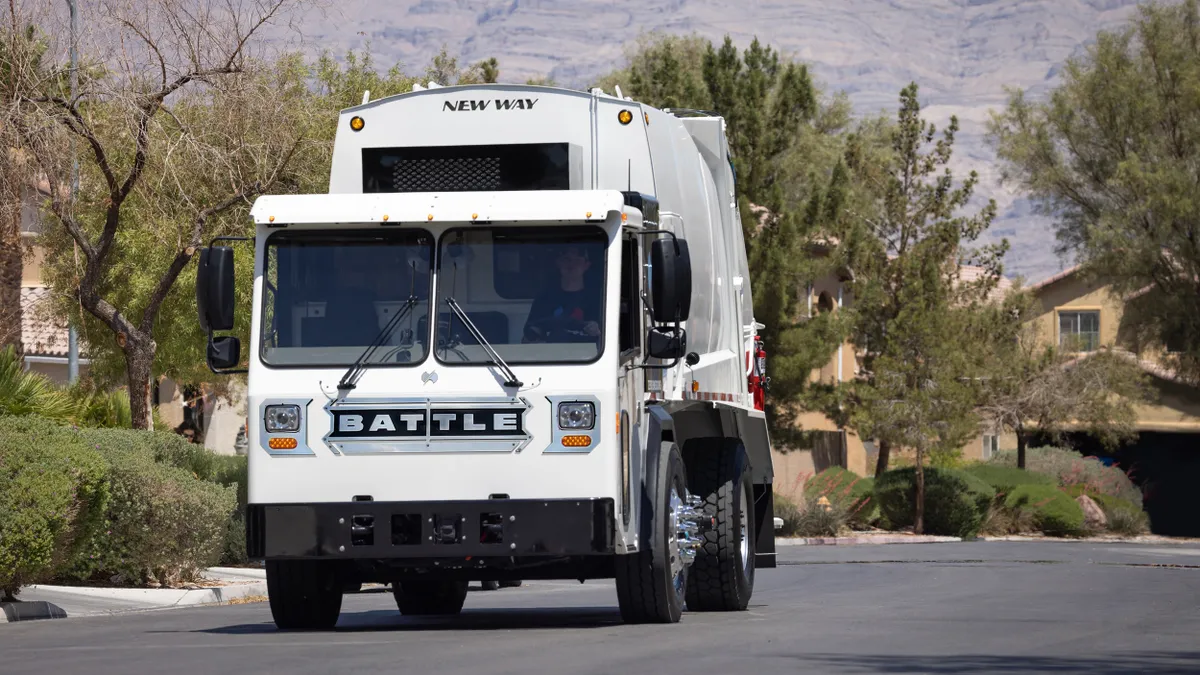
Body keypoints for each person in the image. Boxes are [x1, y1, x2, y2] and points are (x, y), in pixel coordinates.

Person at [522, 243, 602, 343]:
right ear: (558, 263)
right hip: (551, 355)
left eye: (577, 260)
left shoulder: (598, 299)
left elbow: (607, 335)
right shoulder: (544, 298)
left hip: (591, 357)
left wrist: (597, 329)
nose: (571, 264)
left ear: (586, 265)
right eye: (566, 259)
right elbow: (529, 334)